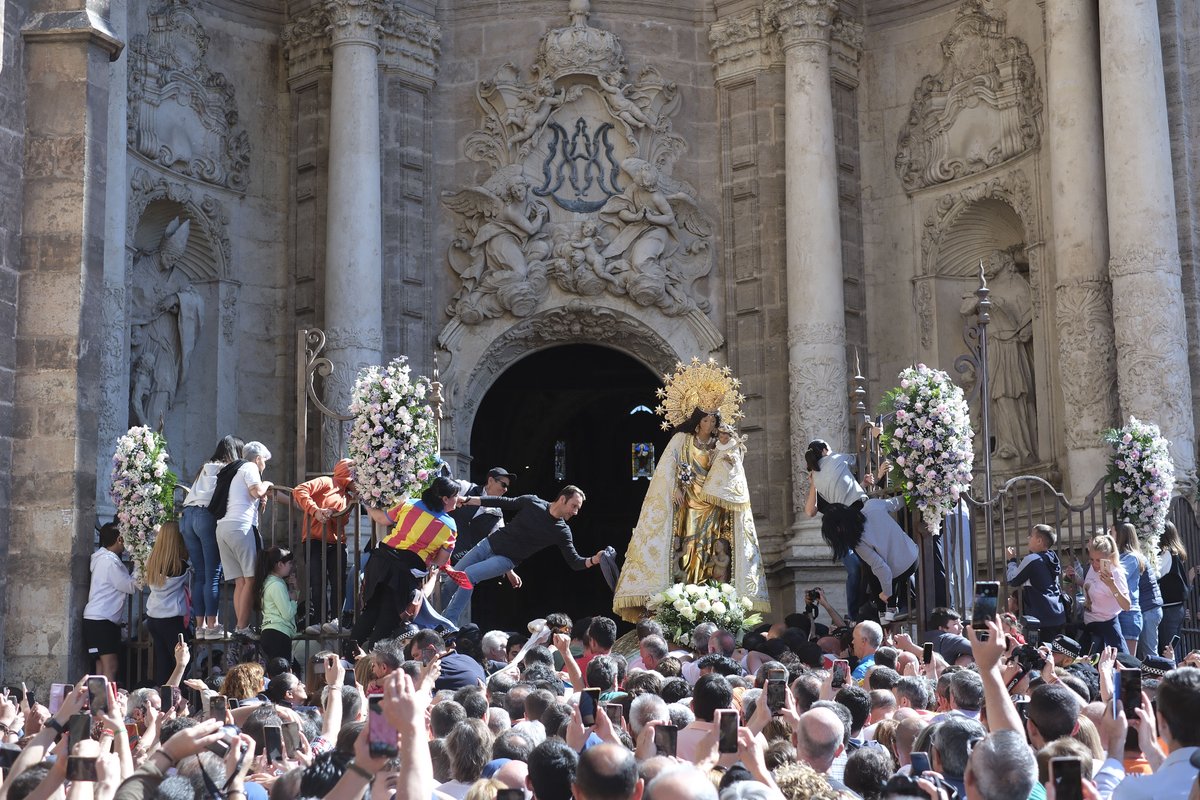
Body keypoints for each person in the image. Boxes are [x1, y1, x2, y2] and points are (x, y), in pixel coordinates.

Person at [444, 485, 607, 626]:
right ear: (563, 499)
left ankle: (448, 622)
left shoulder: (562, 531)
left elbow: (574, 561)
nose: (576, 512)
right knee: (451, 580)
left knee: (469, 575)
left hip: (506, 560)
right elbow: (502, 502)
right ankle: (432, 615)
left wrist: (594, 560)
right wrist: (467, 499)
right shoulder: (533, 502)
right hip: (489, 544)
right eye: (574, 506)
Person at [354, 476, 463, 646]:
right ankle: (373, 662)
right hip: (405, 572)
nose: (458, 499)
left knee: (370, 610)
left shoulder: (410, 503)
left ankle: (348, 656)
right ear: (445, 499)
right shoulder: (450, 527)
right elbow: (441, 560)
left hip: (380, 561)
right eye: (456, 495)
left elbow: (382, 519)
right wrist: (425, 552)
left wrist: (367, 505)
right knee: (388, 618)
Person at [804, 438, 893, 619]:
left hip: (849, 521)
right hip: (840, 530)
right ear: (824, 451)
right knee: (855, 568)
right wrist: (813, 481)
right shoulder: (822, 476)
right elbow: (810, 510)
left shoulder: (834, 474)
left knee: (867, 565)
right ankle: (855, 615)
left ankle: (871, 608)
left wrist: (863, 485)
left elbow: (846, 500)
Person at [179, 435, 243, 640]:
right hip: (206, 518)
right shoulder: (231, 470)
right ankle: (213, 624)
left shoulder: (205, 467)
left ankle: (200, 626)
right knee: (213, 574)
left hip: (187, 516)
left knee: (200, 574)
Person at [213, 440, 274, 639]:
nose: (264, 465)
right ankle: (242, 627)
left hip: (223, 528)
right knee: (251, 579)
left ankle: (241, 626)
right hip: (241, 527)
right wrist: (267, 484)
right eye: (264, 461)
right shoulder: (250, 467)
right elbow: (256, 491)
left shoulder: (234, 470)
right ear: (258, 459)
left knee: (240, 581)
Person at [292, 458, 354, 635]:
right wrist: (315, 511)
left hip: (337, 542)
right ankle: (318, 620)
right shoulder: (326, 481)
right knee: (317, 582)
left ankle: (336, 620)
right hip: (315, 539)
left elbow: (341, 522)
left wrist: (346, 505)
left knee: (338, 583)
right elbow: (300, 489)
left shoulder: (348, 497)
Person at [83, 521, 136, 681]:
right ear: (119, 539)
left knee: (101, 667)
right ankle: (105, 704)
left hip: (99, 620)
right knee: (110, 666)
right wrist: (141, 566)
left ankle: (99, 704)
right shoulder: (108, 562)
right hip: (101, 621)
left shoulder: (104, 559)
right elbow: (130, 586)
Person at [143, 520, 192, 685]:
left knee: (163, 664)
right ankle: (178, 699)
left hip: (153, 618)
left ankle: (161, 698)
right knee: (182, 663)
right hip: (172, 620)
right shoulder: (181, 566)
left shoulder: (152, 562)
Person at [1005, 523, 1066, 641]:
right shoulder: (1053, 558)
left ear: (1039, 541)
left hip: (1041, 616)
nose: (1028, 538)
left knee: (1041, 652)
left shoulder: (1032, 559)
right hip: (1057, 613)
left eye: (1031, 536)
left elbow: (1013, 580)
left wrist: (1011, 560)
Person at [1075, 532, 1131, 653]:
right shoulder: (1093, 567)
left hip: (1107, 630)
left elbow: (1126, 606)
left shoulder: (1115, 573)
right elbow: (1095, 588)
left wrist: (1112, 585)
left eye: (1099, 560)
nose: (1094, 564)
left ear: (1109, 558)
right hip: (1090, 628)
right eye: (1091, 559)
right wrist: (1077, 580)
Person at [256, 546, 298, 664]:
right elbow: (287, 613)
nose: (291, 567)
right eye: (289, 563)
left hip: (272, 632)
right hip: (278, 633)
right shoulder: (276, 585)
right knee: (282, 674)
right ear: (280, 564)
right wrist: (294, 601)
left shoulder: (271, 582)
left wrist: (295, 589)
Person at [1158, 521, 1189, 660]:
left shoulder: (1167, 554)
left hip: (1168, 609)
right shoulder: (1176, 554)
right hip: (1177, 608)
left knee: (1166, 650)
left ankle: (1171, 679)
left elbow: (1156, 574)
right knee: (1172, 648)